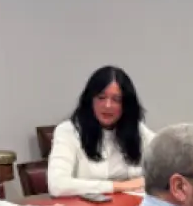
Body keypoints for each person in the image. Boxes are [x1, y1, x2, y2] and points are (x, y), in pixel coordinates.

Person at [47, 66, 154, 197]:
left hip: (130, 205)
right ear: (90, 100)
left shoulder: (137, 130)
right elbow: (57, 185)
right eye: (101, 97)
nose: (107, 105)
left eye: (116, 100)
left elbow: (167, 160)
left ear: (126, 105)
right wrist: (119, 186)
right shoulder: (68, 131)